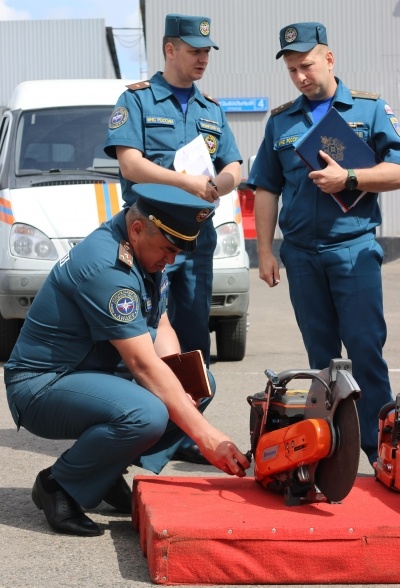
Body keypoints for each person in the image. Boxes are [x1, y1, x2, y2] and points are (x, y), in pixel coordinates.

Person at [3, 183, 250, 537]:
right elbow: (142, 365)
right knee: (147, 414)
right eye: (168, 249)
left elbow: (160, 321)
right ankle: (58, 484)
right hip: (43, 384)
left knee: (196, 384)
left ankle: (102, 474)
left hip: (92, 372)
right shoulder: (106, 266)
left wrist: (183, 382)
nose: (172, 260)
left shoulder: (146, 249)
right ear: (137, 228)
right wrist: (206, 436)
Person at [248, 22, 400, 466]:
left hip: (352, 249)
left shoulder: (369, 111)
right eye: (292, 70)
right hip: (300, 254)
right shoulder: (280, 120)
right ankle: (333, 450)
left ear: (329, 59)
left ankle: (381, 447)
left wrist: (349, 177)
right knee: (322, 358)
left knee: (365, 350)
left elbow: (396, 170)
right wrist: (264, 251)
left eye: (307, 66)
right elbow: (265, 188)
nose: (300, 77)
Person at [104, 14, 242, 464]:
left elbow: (234, 166)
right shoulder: (138, 100)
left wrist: (220, 184)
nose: (202, 58)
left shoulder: (211, 109)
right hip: (148, 242)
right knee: (142, 340)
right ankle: (134, 433)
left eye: (206, 52)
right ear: (169, 49)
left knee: (193, 342)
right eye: (194, 50)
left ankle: (182, 435)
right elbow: (130, 164)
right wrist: (185, 184)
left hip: (197, 242)